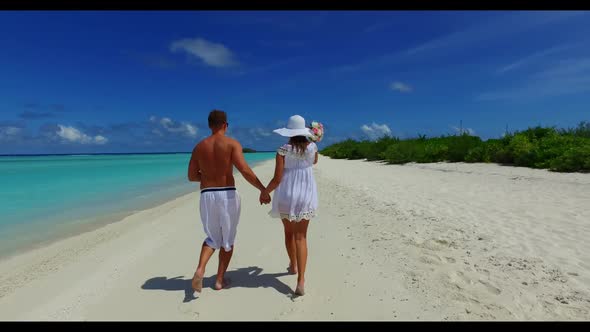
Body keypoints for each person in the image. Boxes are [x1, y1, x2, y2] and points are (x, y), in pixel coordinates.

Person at [188, 109, 270, 293]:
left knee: (211, 237)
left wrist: (209, 177)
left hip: (207, 194)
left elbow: (191, 176)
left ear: (209, 125)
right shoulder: (232, 144)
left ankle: (200, 269)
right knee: (228, 239)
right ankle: (219, 280)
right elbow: (245, 170)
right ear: (226, 125)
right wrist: (263, 189)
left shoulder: (199, 147)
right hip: (227, 194)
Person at [261, 115, 319, 296]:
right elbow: (314, 161)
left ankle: (293, 265)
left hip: (287, 194)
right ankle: (301, 280)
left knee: (289, 233)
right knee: (301, 237)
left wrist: (265, 192)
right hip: (306, 194)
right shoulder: (313, 147)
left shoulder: (282, 150)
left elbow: (277, 178)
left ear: (289, 133)